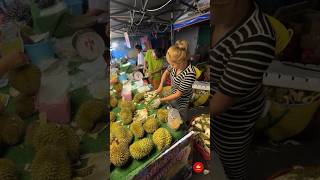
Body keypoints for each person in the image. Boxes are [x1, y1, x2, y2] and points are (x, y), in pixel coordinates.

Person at [209, 0, 275, 179]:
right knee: (212, 152)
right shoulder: (222, 15)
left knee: (231, 165)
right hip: (215, 108)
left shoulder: (256, 38)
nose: (211, 11)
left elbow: (219, 104)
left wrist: (186, 112)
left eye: (218, 5)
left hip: (237, 117)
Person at [156, 42, 196, 120]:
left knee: (181, 117)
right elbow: (165, 73)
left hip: (182, 100)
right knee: (173, 113)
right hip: (173, 95)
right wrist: (160, 86)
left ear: (181, 61)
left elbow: (178, 94)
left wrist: (161, 100)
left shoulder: (190, 73)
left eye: (173, 65)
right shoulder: (174, 65)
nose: (172, 66)